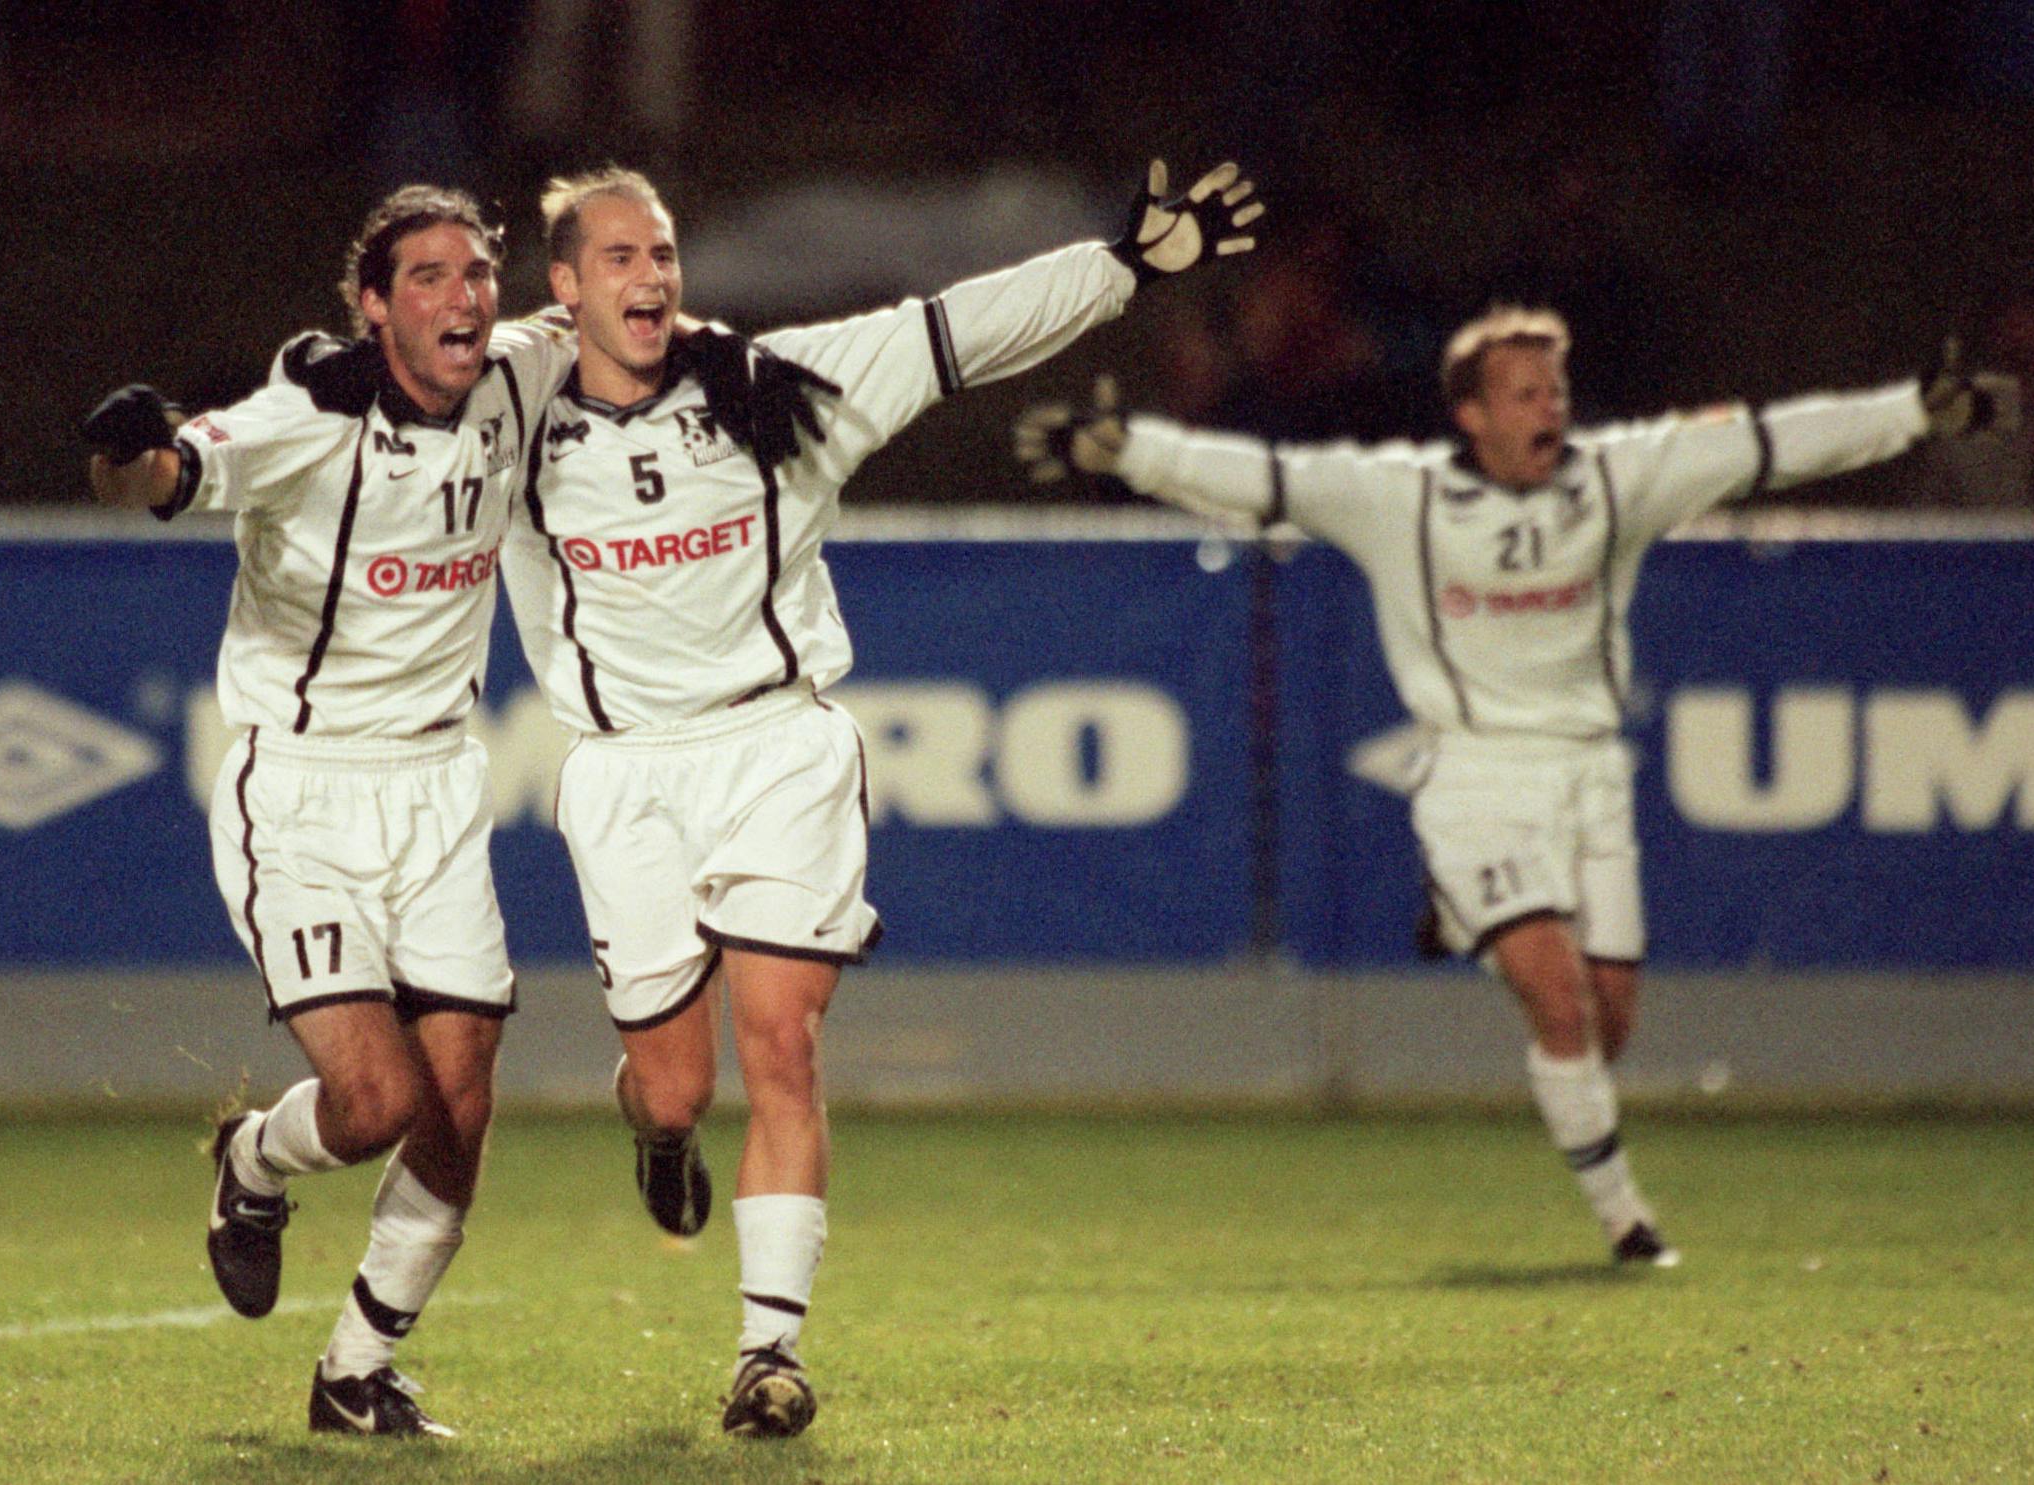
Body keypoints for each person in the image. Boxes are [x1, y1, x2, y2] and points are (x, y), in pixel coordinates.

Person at [501, 158, 1262, 1438]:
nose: (650, 276)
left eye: (664, 253)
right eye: (618, 258)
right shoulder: (506, 418)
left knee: (783, 1045)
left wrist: (1124, 265)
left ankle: (767, 1356)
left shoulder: (779, 387)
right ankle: (656, 1130)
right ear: (566, 285)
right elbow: (384, 398)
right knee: (678, 1086)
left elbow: (958, 329)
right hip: (624, 769)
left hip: (780, 748)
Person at [1015, 305, 2013, 1268]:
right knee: (1561, 1005)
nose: (1550, 409)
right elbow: (1258, 478)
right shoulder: (1397, 497)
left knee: (1609, 1021)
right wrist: (1123, 449)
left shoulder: (1618, 481)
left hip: (1590, 776)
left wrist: (1918, 410)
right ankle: (1627, 1222)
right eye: (1525, 392)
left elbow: (1773, 442)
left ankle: (1465, 917)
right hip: (1474, 774)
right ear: (1472, 415)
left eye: (1557, 389)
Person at [80, 185, 576, 1438]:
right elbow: (157, 478)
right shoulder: (305, 417)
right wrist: (122, 446)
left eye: (477, 274)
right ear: (372, 305)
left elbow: (630, 331)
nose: (463, 298)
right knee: (377, 1108)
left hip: (438, 785)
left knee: (460, 1104)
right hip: (297, 792)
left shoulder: (519, 373)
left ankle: (355, 1376)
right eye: (428, 278)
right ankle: (252, 1160)